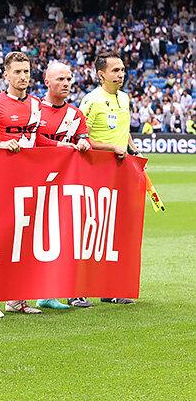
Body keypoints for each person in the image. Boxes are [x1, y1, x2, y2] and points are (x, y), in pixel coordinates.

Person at [0, 51, 76, 316]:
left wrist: (60, 146)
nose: (22, 77)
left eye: (26, 72)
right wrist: (1, 145)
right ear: (6, 74)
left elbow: (37, 140)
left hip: (29, 180)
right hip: (1, 180)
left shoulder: (36, 105)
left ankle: (16, 299)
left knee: (23, 240)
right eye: (17, 72)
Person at [78, 52, 140, 305]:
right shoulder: (91, 100)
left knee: (114, 231)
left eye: (122, 70)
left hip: (120, 171)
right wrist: (110, 148)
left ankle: (110, 288)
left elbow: (124, 131)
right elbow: (81, 136)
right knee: (90, 228)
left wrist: (133, 149)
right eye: (115, 70)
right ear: (101, 74)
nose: (121, 74)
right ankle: (77, 290)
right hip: (95, 171)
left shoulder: (124, 98)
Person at [37, 60, 92, 309]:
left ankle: (62, 292)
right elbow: (34, 139)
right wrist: (59, 145)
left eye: (69, 79)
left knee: (66, 236)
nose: (66, 83)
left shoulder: (75, 114)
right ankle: (34, 293)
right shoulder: (35, 109)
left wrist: (84, 144)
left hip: (66, 185)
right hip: (37, 182)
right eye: (60, 79)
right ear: (47, 81)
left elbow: (84, 139)